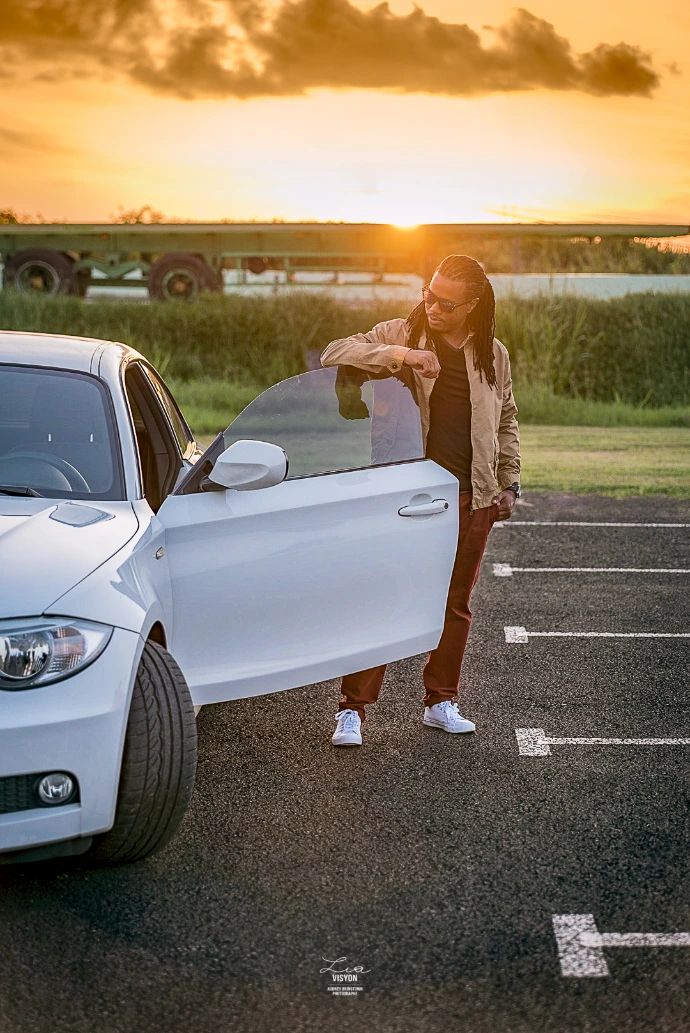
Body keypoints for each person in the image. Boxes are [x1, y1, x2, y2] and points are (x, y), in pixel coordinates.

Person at [320, 254, 521, 746]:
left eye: (446, 302)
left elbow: (506, 417)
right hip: (402, 496)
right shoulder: (399, 333)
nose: (431, 306)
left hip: (471, 496)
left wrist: (509, 481)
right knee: (382, 594)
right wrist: (403, 357)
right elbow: (334, 352)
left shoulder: (493, 353)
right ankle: (354, 711)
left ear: (473, 305)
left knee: (455, 602)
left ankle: (441, 702)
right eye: (428, 293)